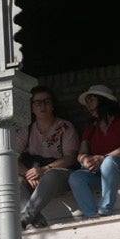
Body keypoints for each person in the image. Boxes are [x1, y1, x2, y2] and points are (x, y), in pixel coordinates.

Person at [68, 84, 120, 217]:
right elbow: (81, 153)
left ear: (103, 100)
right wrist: (85, 160)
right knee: (75, 177)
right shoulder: (91, 128)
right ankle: (91, 215)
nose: (88, 105)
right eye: (87, 102)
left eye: (91, 100)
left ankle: (105, 209)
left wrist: (102, 158)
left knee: (109, 162)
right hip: (103, 174)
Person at [16, 87, 79, 229]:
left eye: (46, 102)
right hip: (33, 174)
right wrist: (28, 173)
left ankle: (25, 218)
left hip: (59, 173)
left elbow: (71, 157)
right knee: (15, 182)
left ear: (52, 105)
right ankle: (38, 221)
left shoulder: (64, 126)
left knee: (51, 175)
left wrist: (44, 170)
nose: (42, 106)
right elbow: (11, 157)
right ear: (32, 108)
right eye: (38, 103)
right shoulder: (27, 129)